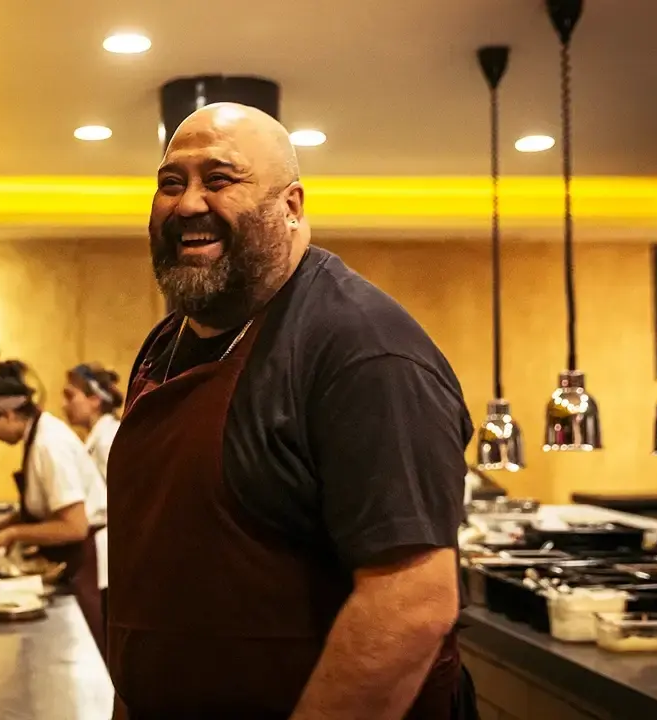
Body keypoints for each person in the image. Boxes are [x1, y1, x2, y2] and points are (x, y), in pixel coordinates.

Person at [108, 102, 476, 719]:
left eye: (219, 179)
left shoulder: (362, 349)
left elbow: (410, 604)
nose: (189, 203)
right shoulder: (164, 345)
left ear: (292, 206)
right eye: (171, 182)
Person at [0, 360, 108, 653]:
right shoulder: (37, 435)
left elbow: (74, 526)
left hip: (91, 564)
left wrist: (11, 534)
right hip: (76, 560)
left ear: (8, 414)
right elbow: (42, 511)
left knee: (89, 655)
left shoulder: (49, 444)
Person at [62, 363, 122, 625]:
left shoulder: (109, 439)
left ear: (95, 400)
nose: (64, 405)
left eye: (70, 396)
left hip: (112, 551)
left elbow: (124, 500)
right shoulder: (96, 439)